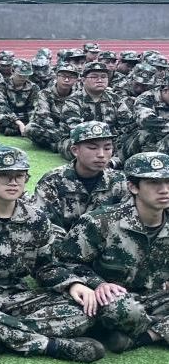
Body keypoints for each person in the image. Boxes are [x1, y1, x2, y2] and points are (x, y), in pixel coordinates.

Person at [0, 146, 105, 362]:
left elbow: (45, 266)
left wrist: (72, 284)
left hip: (17, 294)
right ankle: (50, 346)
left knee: (82, 311)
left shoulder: (36, 218)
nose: (13, 182)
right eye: (4, 175)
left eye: (19, 176)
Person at [44, 151, 169, 353]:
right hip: (114, 300)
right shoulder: (100, 221)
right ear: (133, 187)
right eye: (154, 183)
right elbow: (63, 261)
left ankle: (144, 337)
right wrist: (98, 284)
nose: (164, 190)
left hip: (156, 296)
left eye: (168, 182)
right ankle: (156, 330)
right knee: (121, 309)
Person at [33, 121, 128, 238]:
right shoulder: (52, 182)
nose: (101, 154)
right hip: (62, 245)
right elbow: (45, 226)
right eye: (93, 148)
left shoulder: (118, 181)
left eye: (107, 148)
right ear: (75, 150)